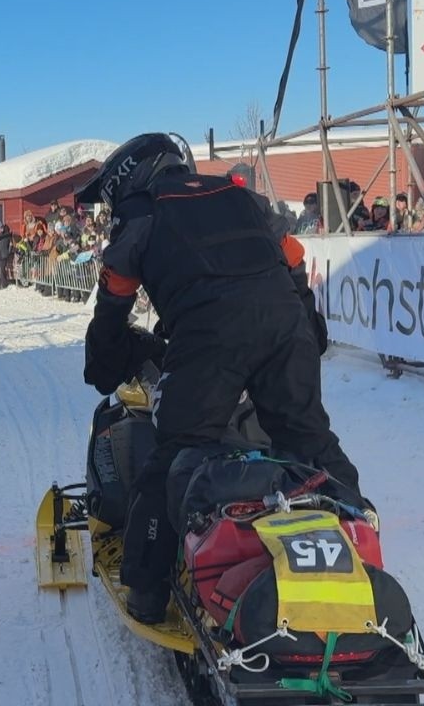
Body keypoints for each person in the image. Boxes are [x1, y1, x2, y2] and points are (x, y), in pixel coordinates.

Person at [76, 133, 360, 625]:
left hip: (210, 334)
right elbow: (293, 262)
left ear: (131, 179)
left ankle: (146, 591)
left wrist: (103, 364)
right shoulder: (238, 194)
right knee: (309, 440)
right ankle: (359, 544)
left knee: (175, 453)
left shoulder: (141, 214)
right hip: (285, 323)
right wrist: (308, 328)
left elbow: (112, 307)